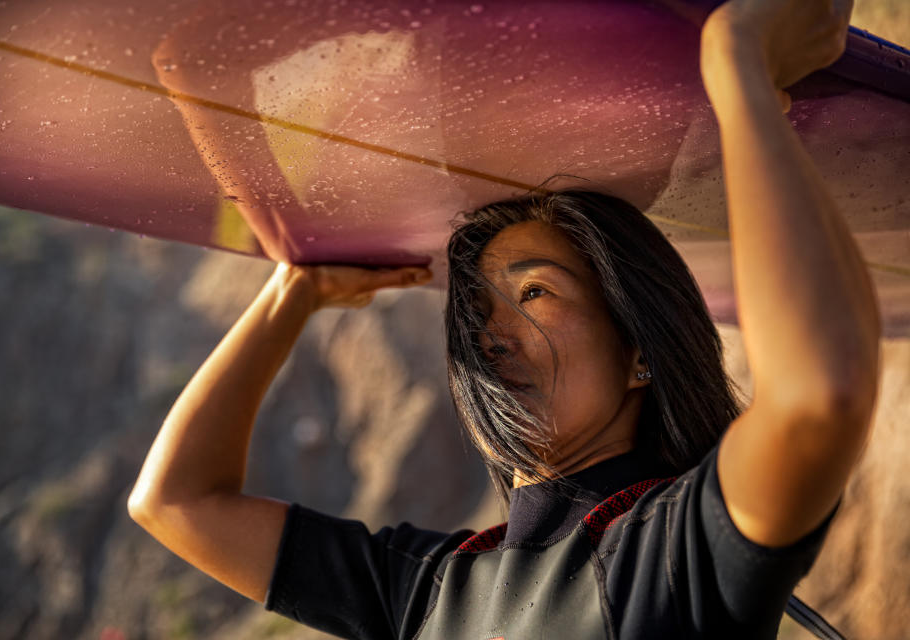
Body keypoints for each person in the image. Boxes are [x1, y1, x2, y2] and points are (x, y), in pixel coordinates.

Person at [127, 0, 881, 638]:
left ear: (638, 353)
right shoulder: (424, 589)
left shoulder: (677, 548)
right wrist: (295, 292)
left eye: (535, 294)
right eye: (475, 309)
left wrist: (738, 67)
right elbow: (175, 503)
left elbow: (818, 396)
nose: (487, 332)